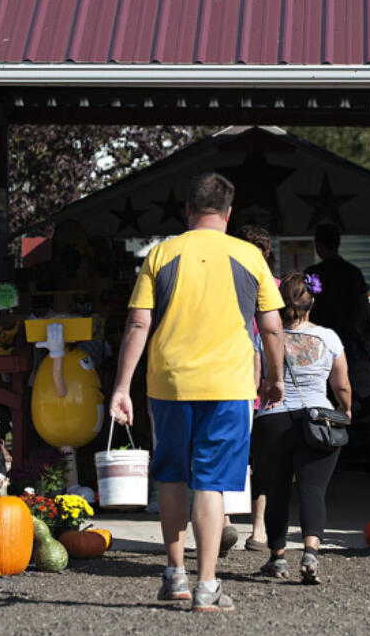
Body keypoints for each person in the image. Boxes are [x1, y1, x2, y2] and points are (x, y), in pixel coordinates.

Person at [110, 172, 284, 613]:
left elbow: (137, 323)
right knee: (211, 483)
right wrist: (275, 377)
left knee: (172, 475)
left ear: (187, 210)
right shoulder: (250, 256)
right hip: (228, 385)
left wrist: (121, 387)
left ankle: (175, 576)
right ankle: (208, 586)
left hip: (168, 382)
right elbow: (272, 327)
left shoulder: (162, 253)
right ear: (228, 212)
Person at [252, 272, 352, 585]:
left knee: (276, 490)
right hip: (317, 419)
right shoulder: (329, 338)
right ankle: (310, 553)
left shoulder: (264, 336)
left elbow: (255, 382)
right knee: (312, 490)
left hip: (273, 419)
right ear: (312, 303)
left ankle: (278, 558)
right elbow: (342, 385)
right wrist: (345, 410)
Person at [236, 224, 274, 552]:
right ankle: (220, 521)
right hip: (232, 383)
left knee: (262, 461)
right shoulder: (224, 286)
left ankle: (258, 527)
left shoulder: (274, 287)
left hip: (265, 392)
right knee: (226, 453)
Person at [305, 223, 370, 370]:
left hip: (317, 340)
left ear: (318, 245)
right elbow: (364, 307)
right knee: (346, 384)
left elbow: (303, 306)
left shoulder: (313, 273)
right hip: (347, 337)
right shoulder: (353, 272)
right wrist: (357, 327)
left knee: (320, 386)